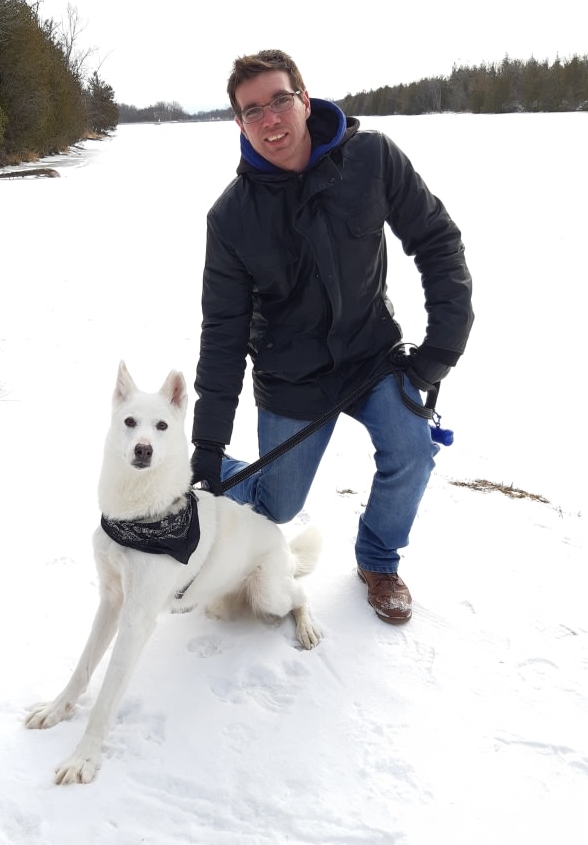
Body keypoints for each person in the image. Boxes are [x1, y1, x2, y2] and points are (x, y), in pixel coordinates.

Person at [190, 49, 474, 624]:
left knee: (412, 451)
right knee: (277, 504)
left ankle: (378, 559)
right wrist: (207, 443)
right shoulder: (231, 217)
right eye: (252, 111)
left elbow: (436, 240)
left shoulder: (369, 158)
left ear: (304, 98)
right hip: (292, 377)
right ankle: (195, 471)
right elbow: (222, 334)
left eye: (279, 100)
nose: (271, 120)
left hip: (373, 356)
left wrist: (441, 347)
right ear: (239, 124)